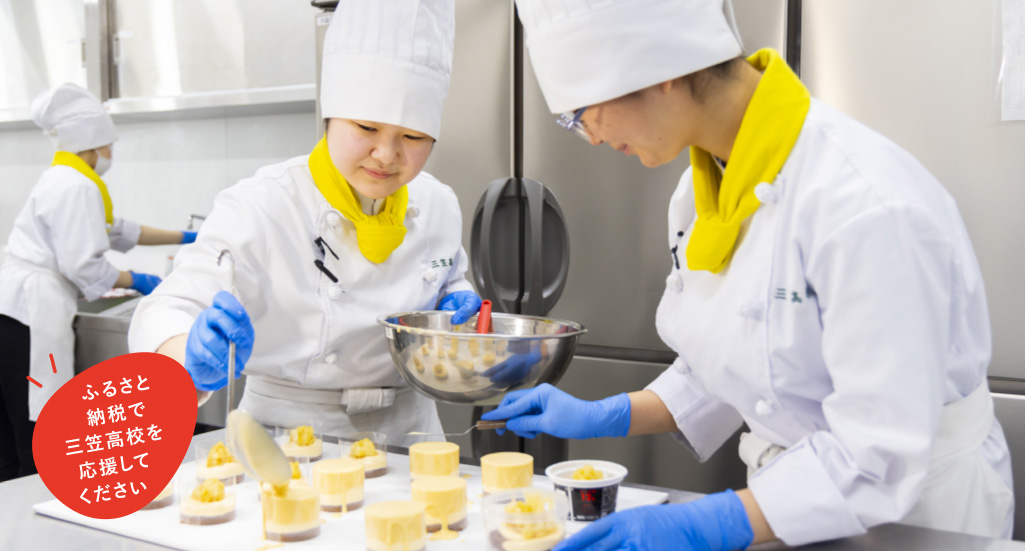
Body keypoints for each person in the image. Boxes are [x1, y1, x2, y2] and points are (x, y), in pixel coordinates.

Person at [481, 0, 1014, 549]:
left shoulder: (865, 203)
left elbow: (879, 449)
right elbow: (741, 366)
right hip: (786, 503)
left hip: (921, 516)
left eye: (582, 111)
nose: (590, 136)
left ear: (658, 69)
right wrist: (607, 415)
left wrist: (704, 524)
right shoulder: (700, 194)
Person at [128, 0, 480, 445]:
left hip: (412, 436)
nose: (387, 154)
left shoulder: (438, 202)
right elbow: (167, 307)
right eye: (366, 128)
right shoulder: (261, 205)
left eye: (412, 136)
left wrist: (456, 301)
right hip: (286, 439)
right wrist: (187, 354)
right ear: (330, 115)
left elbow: (449, 278)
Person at [0, 83, 193, 482]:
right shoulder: (77, 186)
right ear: (93, 142)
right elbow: (83, 265)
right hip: (30, 315)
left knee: (9, 427)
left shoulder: (62, 178)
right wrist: (138, 279)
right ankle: (34, 508)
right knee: (36, 424)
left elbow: (117, 229)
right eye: (108, 145)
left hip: (11, 307)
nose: (110, 153)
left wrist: (185, 236)